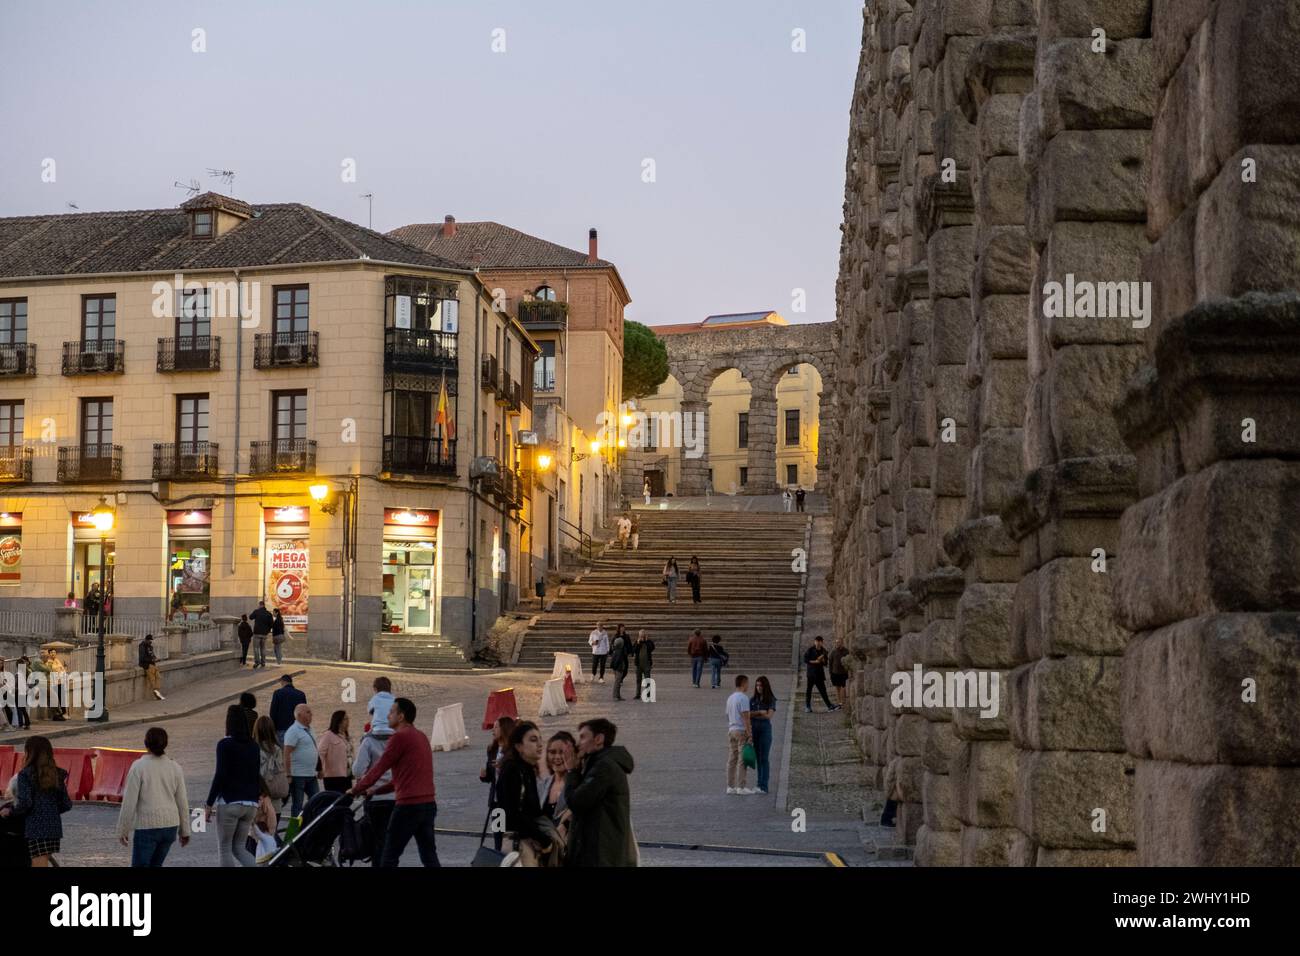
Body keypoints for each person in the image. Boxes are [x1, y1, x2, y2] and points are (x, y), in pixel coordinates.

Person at [349, 697, 439, 868]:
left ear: (401, 716)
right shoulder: (421, 736)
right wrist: (375, 791)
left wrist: (356, 789)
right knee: (429, 855)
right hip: (428, 804)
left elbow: (379, 768)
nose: (388, 716)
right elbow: (400, 779)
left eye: (392, 712)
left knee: (388, 855)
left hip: (408, 806)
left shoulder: (399, 738)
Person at [563, 718, 636, 867]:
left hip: (600, 855)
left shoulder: (604, 767)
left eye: (583, 737)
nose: (578, 743)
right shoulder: (597, 764)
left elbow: (577, 802)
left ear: (598, 739)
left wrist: (571, 771)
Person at [116, 727, 190, 867]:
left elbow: (129, 802)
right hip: (170, 826)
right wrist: (185, 830)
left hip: (147, 826)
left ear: (146, 743)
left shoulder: (138, 767)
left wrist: (123, 829)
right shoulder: (175, 767)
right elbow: (182, 801)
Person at [1, 736, 72, 866]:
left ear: (29, 753)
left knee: (39, 864)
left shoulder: (26, 775)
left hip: (35, 827)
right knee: (41, 861)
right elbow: (66, 804)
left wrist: (10, 811)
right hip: (54, 827)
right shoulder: (57, 773)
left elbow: (25, 803)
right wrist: (50, 810)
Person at [205, 705, 260, 866]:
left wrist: (209, 803)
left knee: (225, 848)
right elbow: (256, 775)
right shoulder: (254, 746)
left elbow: (220, 774)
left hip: (230, 802)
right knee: (240, 848)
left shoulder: (224, 744)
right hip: (250, 803)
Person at [494, 721, 554, 866]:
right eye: (533, 740)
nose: (540, 744)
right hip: (518, 845)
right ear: (519, 746)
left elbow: (531, 810)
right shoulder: (513, 770)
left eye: (540, 739)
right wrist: (543, 839)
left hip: (524, 841)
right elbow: (512, 812)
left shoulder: (526, 769)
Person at [352, 715, 396, 867]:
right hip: (395, 797)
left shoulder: (369, 741)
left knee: (377, 842)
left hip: (374, 797)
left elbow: (357, 770)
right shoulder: (397, 740)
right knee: (391, 841)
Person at [283, 703, 320, 817]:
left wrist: (320, 767)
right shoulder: (293, 731)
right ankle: (295, 833)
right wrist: (288, 774)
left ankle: (311, 828)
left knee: (317, 801)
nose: (311, 714)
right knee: (297, 805)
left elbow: (314, 748)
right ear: (299, 715)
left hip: (311, 774)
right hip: (298, 775)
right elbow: (286, 753)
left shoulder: (310, 729)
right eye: (308, 712)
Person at [726, 675, 756, 795]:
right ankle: (741, 787)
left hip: (731, 729)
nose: (748, 686)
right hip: (741, 730)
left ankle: (730, 786)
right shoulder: (743, 698)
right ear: (744, 683)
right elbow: (746, 718)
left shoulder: (730, 698)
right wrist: (750, 733)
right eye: (748, 683)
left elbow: (727, 715)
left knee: (732, 759)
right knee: (742, 759)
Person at [254, 715, 289, 815]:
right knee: (273, 829)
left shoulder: (253, 749)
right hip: (275, 801)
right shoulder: (277, 749)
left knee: (258, 829)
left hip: (258, 800)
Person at [749, 676, 778, 795]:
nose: (759, 688)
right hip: (754, 728)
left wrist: (757, 715)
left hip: (765, 729)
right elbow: (748, 715)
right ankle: (759, 783)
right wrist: (760, 712)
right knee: (758, 758)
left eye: (761, 685)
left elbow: (769, 716)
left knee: (764, 757)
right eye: (757, 685)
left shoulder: (770, 699)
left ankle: (764, 785)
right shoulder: (752, 699)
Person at [318, 710, 353, 793]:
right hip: (333, 777)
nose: (348, 721)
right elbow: (320, 753)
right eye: (345, 719)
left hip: (347, 775)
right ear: (338, 721)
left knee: (347, 800)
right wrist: (320, 769)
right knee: (335, 800)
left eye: (348, 718)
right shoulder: (328, 735)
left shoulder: (346, 736)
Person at [803, 635, 840, 713]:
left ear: (822, 642)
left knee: (823, 691)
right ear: (815, 642)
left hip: (819, 674)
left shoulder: (824, 651)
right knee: (809, 691)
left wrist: (823, 660)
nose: (818, 643)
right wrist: (815, 661)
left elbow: (826, 663)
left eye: (819, 642)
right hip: (811, 674)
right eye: (816, 641)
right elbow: (806, 660)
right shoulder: (810, 650)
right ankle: (807, 706)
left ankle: (829, 706)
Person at [269, 674, 306, 745]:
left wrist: (273, 729)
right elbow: (304, 712)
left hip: (281, 729)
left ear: (283, 682)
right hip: (297, 730)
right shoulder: (301, 694)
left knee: (283, 753)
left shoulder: (278, 693)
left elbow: (273, 712)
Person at [138, 634, 164, 701]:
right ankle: (156, 693)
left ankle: (157, 691)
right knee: (152, 680)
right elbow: (142, 658)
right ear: (146, 640)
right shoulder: (142, 646)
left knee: (158, 677)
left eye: (151, 640)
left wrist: (155, 658)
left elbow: (151, 654)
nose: (151, 642)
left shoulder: (150, 646)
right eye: (149, 640)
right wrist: (151, 660)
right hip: (147, 665)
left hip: (153, 664)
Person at [249, 601, 273, 668]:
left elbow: (250, 617)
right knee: (263, 648)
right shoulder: (269, 614)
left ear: (260, 605)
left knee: (256, 648)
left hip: (257, 633)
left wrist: (256, 611)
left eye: (259, 605)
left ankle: (257, 662)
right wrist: (267, 631)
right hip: (264, 634)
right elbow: (271, 624)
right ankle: (263, 662)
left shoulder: (257, 611)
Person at [632, 630, 655, 702]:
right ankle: (637, 694)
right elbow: (634, 650)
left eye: (643, 635)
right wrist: (638, 643)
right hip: (639, 664)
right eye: (640, 635)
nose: (641, 637)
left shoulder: (649, 641)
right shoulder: (637, 641)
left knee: (647, 679)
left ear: (645, 635)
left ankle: (648, 695)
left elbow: (652, 648)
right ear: (639, 635)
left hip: (647, 664)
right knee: (638, 680)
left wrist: (646, 641)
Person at [829, 637, 851, 708]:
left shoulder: (846, 651)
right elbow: (830, 662)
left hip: (843, 672)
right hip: (835, 672)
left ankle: (843, 702)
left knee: (843, 688)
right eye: (836, 642)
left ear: (842, 643)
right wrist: (830, 672)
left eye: (839, 642)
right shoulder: (833, 651)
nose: (837, 644)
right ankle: (839, 702)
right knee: (837, 688)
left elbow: (848, 660)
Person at [609, 627, 630, 701]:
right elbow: (619, 661)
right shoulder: (620, 651)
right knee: (617, 683)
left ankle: (618, 695)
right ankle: (615, 696)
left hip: (616, 668)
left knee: (618, 682)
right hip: (619, 668)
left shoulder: (615, 650)